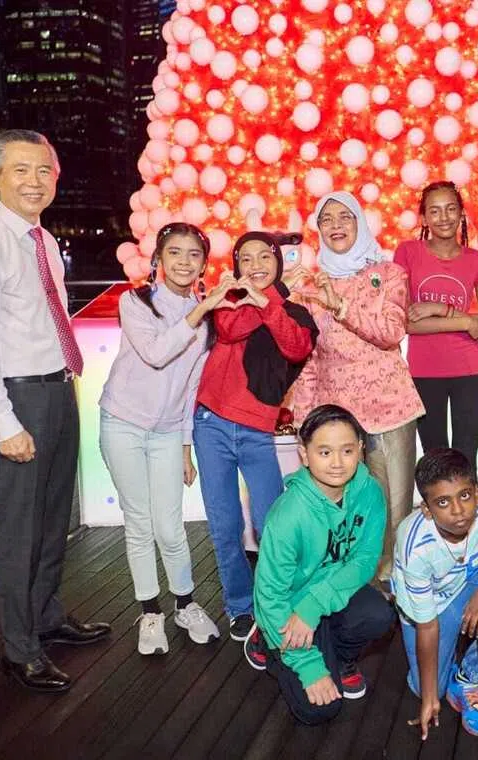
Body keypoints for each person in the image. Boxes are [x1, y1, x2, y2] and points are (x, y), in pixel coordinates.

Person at [0, 129, 110, 693]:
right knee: (18, 531)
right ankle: (20, 650)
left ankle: (46, 616)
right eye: (20, 170)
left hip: (56, 389)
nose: (34, 181)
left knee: (52, 520)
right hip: (17, 400)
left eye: (44, 170)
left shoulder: (41, 241)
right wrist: (6, 425)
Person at [99, 222, 228, 655]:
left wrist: (187, 447)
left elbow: (191, 387)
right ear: (158, 259)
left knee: (171, 526)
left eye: (194, 254)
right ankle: (150, 612)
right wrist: (199, 309)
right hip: (122, 423)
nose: (184, 262)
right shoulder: (134, 302)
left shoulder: (207, 322)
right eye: (175, 252)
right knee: (139, 523)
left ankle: (185, 604)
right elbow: (156, 354)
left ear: (203, 264)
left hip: (169, 432)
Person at [287, 191, 424, 582]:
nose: (335, 225)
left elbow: (391, 331)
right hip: (336, 419)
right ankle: (348, 590)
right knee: (342, 509)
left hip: (389, 409)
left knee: (392, 508)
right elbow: (310, 359)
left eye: (344, 217)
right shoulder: (312, 284)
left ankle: (396, 588)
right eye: (326, 219)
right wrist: (304, 421)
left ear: (360, 223)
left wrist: (342, 308)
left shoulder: (388, 273)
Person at [193, 231, 318, 642]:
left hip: (256, 429)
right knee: (225, 524)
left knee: (272, 524)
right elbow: (230, 329)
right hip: (211, 424)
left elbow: (296, 347)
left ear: (279, 261)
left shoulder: (295, 312)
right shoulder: (225, 303)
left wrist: (272, 298)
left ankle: (276, 601)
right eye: (246, 258)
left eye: (266, 256)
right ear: (236, 266)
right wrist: (272, 293)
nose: (257, 265)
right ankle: (240, 606)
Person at [244, 405, 395, 725]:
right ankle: (266, 639)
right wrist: (310, 667)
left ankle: (340, 658)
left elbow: (366, 560)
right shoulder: (288, 516)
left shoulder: (369, 492)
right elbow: (271, 595)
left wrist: (314, 606)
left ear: (361, 450)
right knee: (318, 711)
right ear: (304, 453)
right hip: (285, 604)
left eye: (347, 450)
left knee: (379, 613)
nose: (337, 462)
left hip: (327, 593)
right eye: (324, 451)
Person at [393, 448, 478, 739]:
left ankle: (467, 677)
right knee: (426, 688)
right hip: (431, 608)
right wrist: (431, 699)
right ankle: (444, 676)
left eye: (465, 496)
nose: (458, 510)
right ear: (427, 510)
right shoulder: (415, 547)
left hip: (472, 582)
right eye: (443, 502)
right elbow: (427, 625)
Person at [394, 181, 478, 467]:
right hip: (424, 372)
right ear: (424, 219)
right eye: (435, 211)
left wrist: (437, 309)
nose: (444, 218)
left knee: (466, 461)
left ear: (462, 213)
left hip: (469, 372)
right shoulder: (407, 253)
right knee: (435, 463)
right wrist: (464, 320)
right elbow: (407, 323)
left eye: (451, 209)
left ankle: (470, 514)